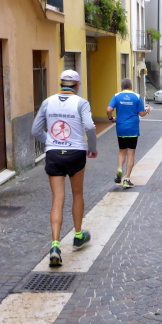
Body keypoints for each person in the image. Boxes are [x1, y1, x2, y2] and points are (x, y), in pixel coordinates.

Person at [31, 69, 97, 267]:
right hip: (76, 153)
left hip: (54, 154)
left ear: (61, 84)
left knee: (57, 199)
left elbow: (35, 130)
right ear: (77, 85)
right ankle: (78, 235)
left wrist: (50, 141)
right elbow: (90, 127)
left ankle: (55, 245)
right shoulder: (81, 103)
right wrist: (92, 148)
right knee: (77, 194)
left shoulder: (47, 102)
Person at [106, 78, 151, 189]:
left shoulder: (116, 96)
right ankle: (127, 179)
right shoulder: (136, 96)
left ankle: (119, 168)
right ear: (131, 86)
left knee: (122, 151)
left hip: (120, 127)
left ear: (121, 87)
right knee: (131, 153)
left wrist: (111, 118)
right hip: (133, 128)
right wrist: (147, 110)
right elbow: (141, 113)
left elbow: (109, 109)